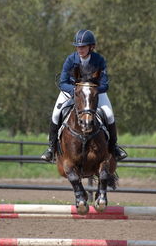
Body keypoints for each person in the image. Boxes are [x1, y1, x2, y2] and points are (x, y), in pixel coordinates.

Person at [41, 29, 127, 162]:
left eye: (83, 46)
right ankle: (51, 148)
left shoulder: (99, 60)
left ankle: (114, 147)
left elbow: (105, 84)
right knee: (56, 114)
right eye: (78, 46)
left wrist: (90, 91)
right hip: (71, 91)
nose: (80, 49)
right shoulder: (70, 59)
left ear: (91, 47)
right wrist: (77, 91)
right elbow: (62, 82)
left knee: (109, 115)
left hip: (94, 93)